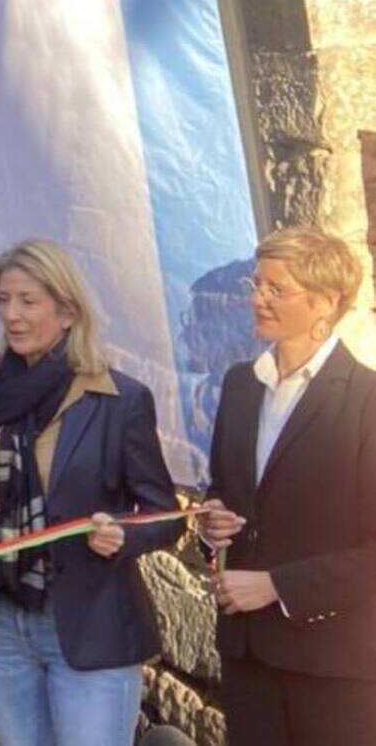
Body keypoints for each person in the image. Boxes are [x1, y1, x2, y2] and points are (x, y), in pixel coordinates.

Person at [0, 239, 178, 746]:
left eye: (28, 301)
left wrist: (124, 536)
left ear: (68, 311)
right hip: (0, 618)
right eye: (5, 299)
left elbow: (166, 514)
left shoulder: (120, 400)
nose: (12, 314)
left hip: (87, 624)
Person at [198, 227, 376, 746]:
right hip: (246, 655)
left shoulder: (368, 401)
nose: (257, 299)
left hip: (335, 664)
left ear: (325, 303)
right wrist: (212, 528)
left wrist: (276, 586)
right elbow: (224, 492)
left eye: (276, 289)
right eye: (257, 285)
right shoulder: (238, 385)